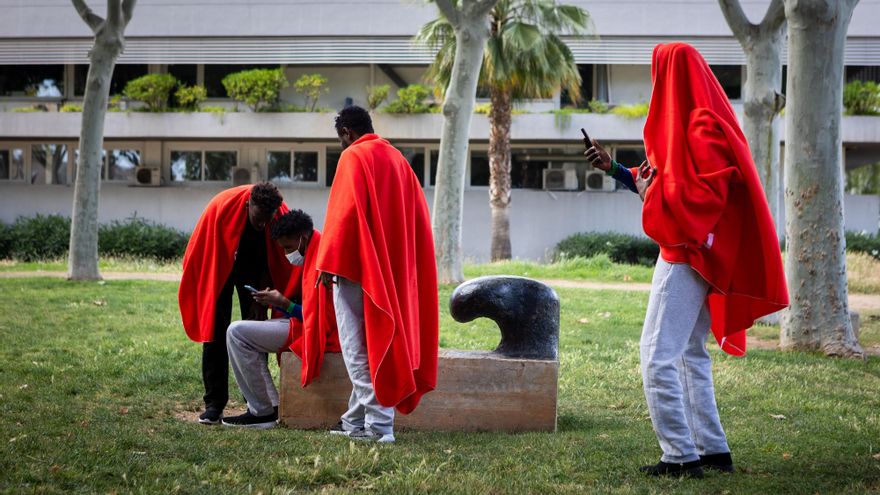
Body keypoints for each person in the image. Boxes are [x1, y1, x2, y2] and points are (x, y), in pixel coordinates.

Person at [585, 43, 789, 478]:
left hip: (686, 256)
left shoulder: (699, 127)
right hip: (698, 256)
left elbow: (698, 198)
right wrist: (615, 169)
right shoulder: (698, 122)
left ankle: (679, 455)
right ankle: (712, 449)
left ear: (671, 77)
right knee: (689, 353)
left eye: (658, 74)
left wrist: (651, 192)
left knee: (656, 354)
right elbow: (662, 179)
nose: (656, 84)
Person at [315, 105, 439, 443]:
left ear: (347, 133)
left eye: (341, 139)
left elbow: (343, 215)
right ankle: (353, 422)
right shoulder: (398, 160)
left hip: (357, 268)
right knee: (378, 343)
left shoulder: (353, 156)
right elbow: (416, 217)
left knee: (356, 347)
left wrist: (327, 263)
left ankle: (380, 426)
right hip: (394, 269)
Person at [178, 182, 301, 425]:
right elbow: (207, 252)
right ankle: (214, 404)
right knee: (215, 330)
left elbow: (272, 259)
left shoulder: (278, 213)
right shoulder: (222, 207)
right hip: (218, 263)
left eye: (267, 220)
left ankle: (257, 402)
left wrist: (261, 299)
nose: (263, 224)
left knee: (255, 330)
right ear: (248, 205)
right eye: (258, 219)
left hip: (254, 268)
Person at [222, 209, 340, 429]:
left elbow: (322, 319)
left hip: (315, 331)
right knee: (245, 334)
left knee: (236, 333)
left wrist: (285, 304)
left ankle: (262, 412)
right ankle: (271, 407)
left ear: (302, 238)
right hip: (303, 325)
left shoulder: (322, 258)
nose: (287, 254)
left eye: (288, 247)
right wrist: (278, 304)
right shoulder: (315, 249)